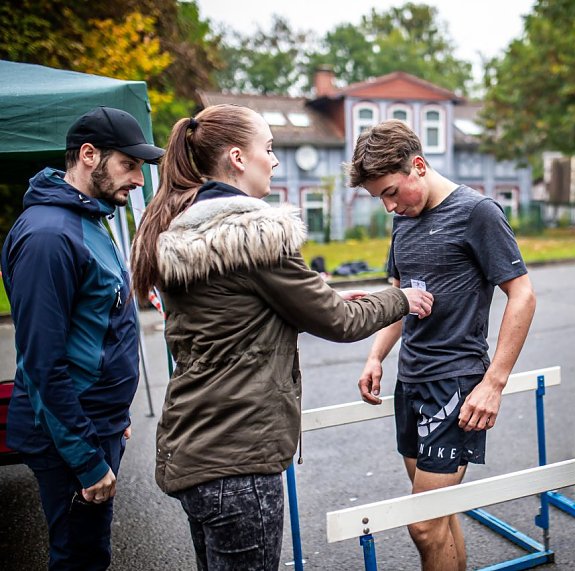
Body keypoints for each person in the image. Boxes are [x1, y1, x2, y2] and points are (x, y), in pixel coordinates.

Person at [129, 104, 434, 571]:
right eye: (268, 149)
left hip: (194, 447)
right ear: (237, 158)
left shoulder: (184, 226)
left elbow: (240, 313)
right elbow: (339, 322)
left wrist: (322, 297)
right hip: (239, 460)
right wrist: (402, 299)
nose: (274, 160)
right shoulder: (256, 236)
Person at [347, 119, 537, 571]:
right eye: (380, 199)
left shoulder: (477, 212)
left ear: (418, 165)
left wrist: (494, 383)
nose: (389, 206)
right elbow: (400, 297)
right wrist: (376, 355)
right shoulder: (404, 221)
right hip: (411, 380)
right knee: (439, 516)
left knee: (423, 525)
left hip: (455, 383)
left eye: (391, 192)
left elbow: (523, 295)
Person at [1, 106, 164, 569]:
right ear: (89, 155)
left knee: (91, 551)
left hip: (95, 422)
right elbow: (43, 363)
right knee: (80, 558)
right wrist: (86, 458)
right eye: (128, 164)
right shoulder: (49, 237)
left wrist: (114, 413)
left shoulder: (90, 217)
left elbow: (97, 327)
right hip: (69, 436)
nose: (138, 180)